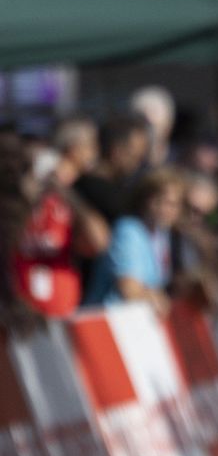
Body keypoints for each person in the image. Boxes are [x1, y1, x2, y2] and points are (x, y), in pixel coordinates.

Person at [10, 117, 110, 318]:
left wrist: (64, 192)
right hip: (19, 308)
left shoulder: (83, 189)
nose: (95, 153)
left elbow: (98, 242)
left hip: (62, 308)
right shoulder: (19, 194)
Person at [84, 169, 184, 312]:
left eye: (174, 205)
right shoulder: (128, 231)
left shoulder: (162, 235)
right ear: (146, 200)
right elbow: (129, 291)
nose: (168, 210)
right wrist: (159, 300)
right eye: (162, 202)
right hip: (107, 318)